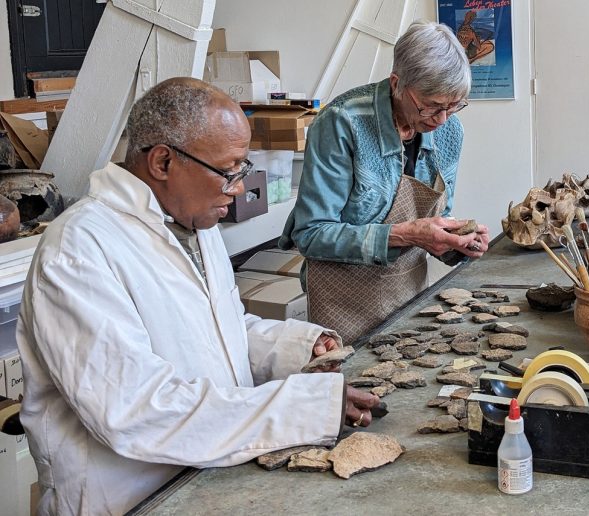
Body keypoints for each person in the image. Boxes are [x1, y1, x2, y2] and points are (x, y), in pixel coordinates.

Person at [17, 77, 380, 515]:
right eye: (230, 171)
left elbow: (219, 331)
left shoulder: (191, 223)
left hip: (207, 481)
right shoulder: (79, 249)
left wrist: (298, 348)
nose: (240, 188)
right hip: (128, 500)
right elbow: (135, 410)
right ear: (163, 162)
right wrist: (304, 406)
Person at [279, 20, 490, 343]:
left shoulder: (449, 131)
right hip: (343, 304)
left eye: (454, 105)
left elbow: (437, 223)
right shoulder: (342, 124)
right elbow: (310, 234)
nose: (442, 118)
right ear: (397, 84)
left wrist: (458, 245)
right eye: (432, 105)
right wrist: (403, 235)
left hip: (407, 297)